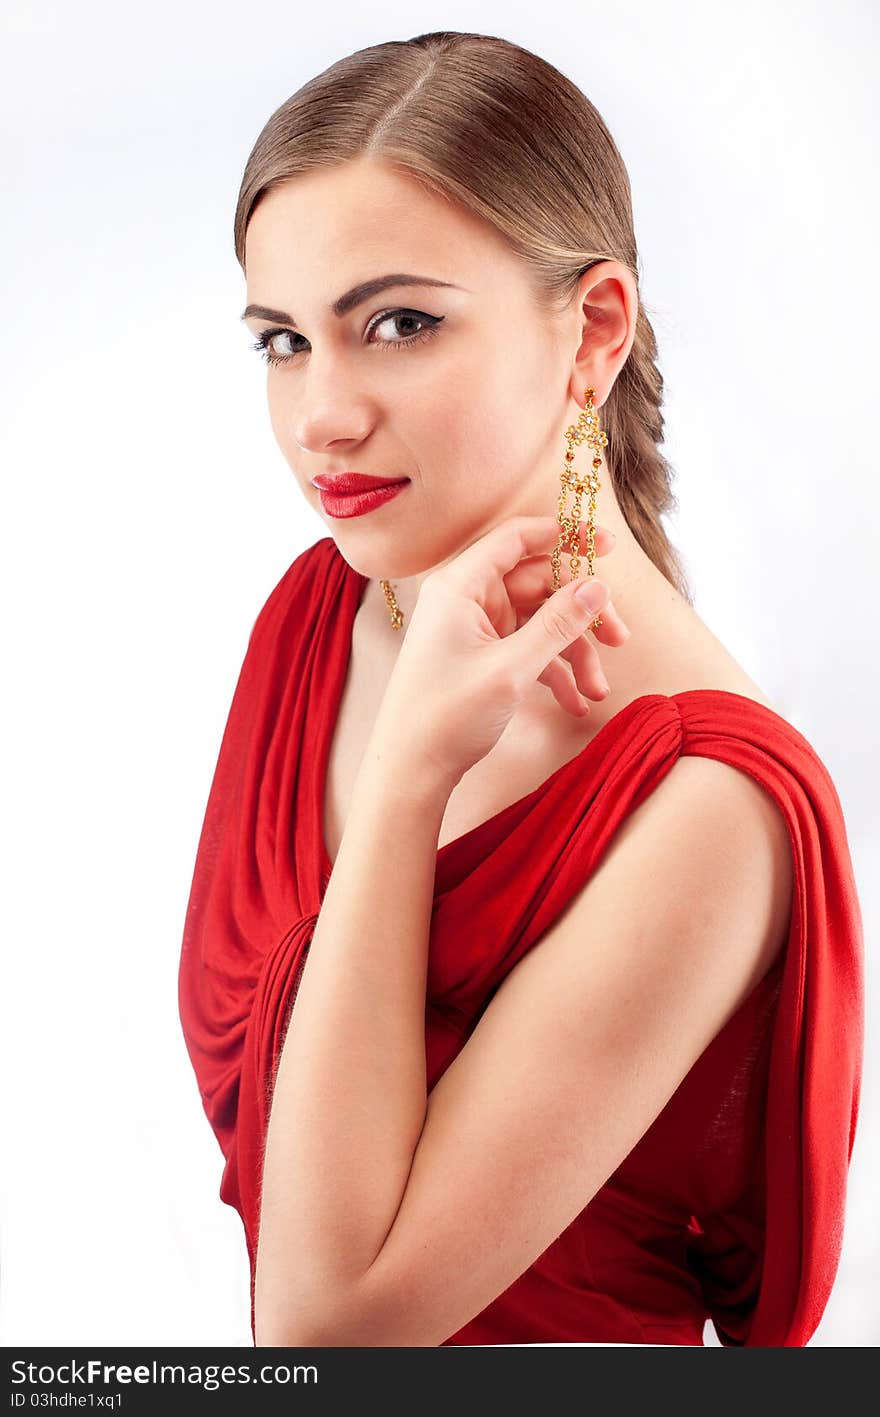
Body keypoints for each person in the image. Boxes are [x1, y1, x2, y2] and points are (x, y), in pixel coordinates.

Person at [177, 31, 864, 1347]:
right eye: (282, 339)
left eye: (398, 323)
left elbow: (330, 1334)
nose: (320, 411)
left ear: (594, 329)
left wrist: (407, 778)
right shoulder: (315, 616)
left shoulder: (709, 810)